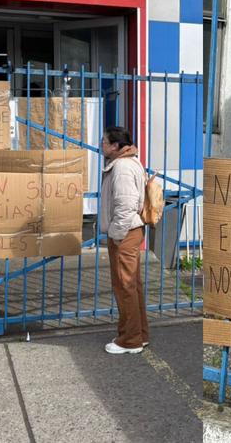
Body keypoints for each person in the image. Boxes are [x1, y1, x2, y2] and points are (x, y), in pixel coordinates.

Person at [99, 126, 149, 354]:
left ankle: (130, 340)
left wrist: (116, 235)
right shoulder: (129, 162)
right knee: (132, 286)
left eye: (104, 142)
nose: (101, 145)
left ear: (115, 146)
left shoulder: (122, 167)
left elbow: (126, 205)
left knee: (125, 286)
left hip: (125, 233)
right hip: (130, 230)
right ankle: (139, 334)